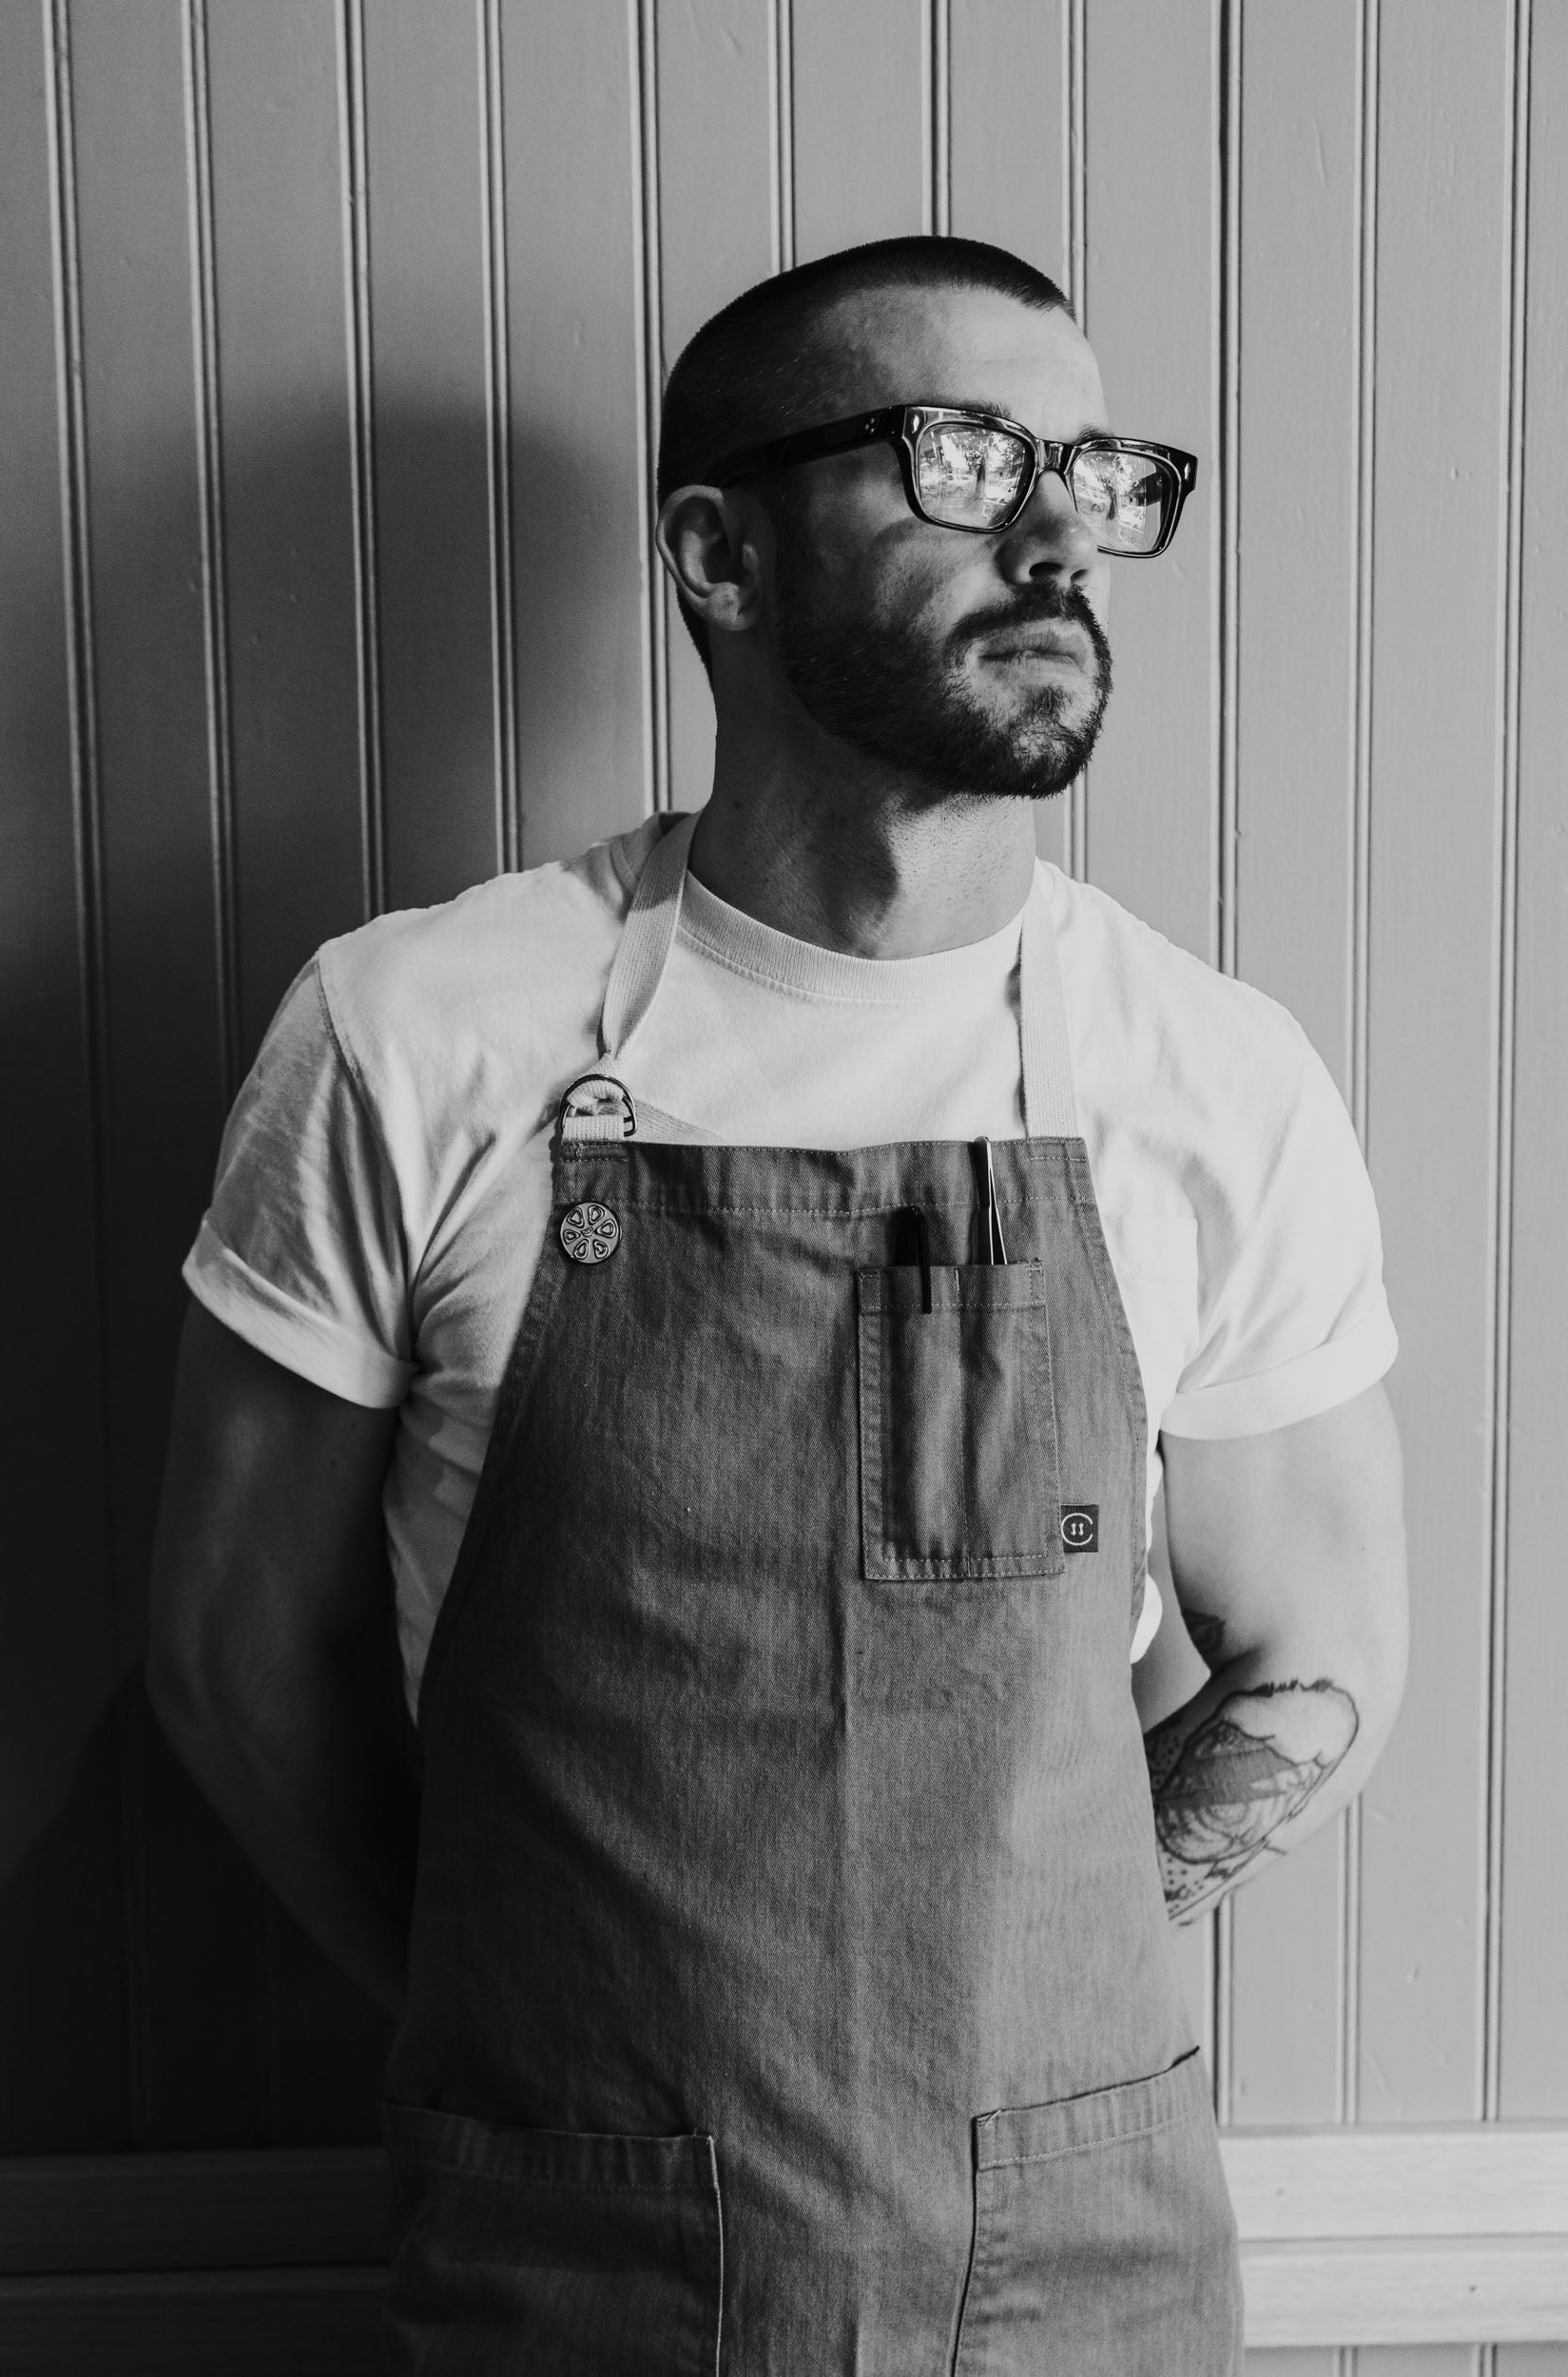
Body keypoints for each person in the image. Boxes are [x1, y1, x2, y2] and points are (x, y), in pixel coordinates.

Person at [147, 235, 1408, 2371]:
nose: (1056, 533)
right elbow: (231, 1652)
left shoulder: (1213, 1076)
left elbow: (1322, 1657)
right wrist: (535, 2026)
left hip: (1080, 2277)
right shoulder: (411, 1035)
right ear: (719, 553)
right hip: (573, 2261)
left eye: (1097, 474)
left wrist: (1020, 2006)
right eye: (964, 456)